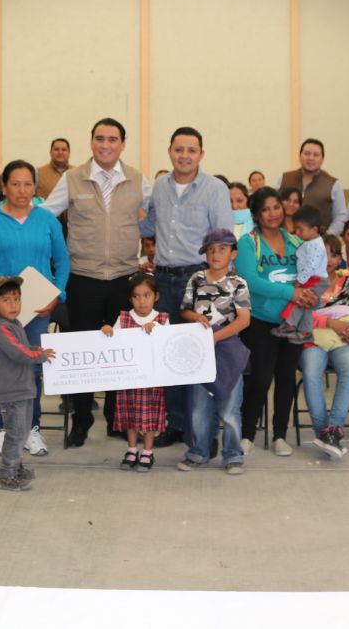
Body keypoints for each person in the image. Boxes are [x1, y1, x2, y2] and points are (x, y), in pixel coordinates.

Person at [41, 118, 149, 448]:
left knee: (118, 352)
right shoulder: (72, 179)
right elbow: (47, 215)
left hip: (122, 279)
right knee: (83, 352)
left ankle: (116, 418)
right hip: (83, 278)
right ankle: (81, 418)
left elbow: (159, 216)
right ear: (91, 143)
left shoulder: (137, 180)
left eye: (112, 139)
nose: (106, 144)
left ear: (122, 144)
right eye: (100, 138)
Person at [140, 126, 234, 445]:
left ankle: (203, 427)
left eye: (191, 150)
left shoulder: (215, 188)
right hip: (164, 279)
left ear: (201, 154)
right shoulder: (160, 188)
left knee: (201, 354)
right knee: (168, 352)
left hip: (199, 277)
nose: (185, 156)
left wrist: (219, 286)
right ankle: (176, 423)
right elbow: (149, 224)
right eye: (179, 149)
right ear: (170, 151)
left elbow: (223, 237)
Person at [0, 160, 69, 456]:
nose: (22, 190)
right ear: (4, 187)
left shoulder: (47, 219)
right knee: (5, 371)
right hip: (1, 311)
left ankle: (31, 429)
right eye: (15, 184)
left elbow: (62, 262)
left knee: (33, 369)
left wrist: (57, 295)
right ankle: (4, 428)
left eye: (28, 184)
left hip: (37, 309)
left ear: (35, 187)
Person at [236, 187, 315, 456]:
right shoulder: (249, 242)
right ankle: (247, 434)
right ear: (257, 214)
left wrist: (308, 293)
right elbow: (251, 282)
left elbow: (308, 276)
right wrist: (290, 291)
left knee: (286, 378)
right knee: (260, 378)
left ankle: (280, 435)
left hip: (293, 322)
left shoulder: (295, 242)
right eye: (266, 209)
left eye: (276, 208)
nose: (273, 214)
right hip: (261, 321)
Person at [178, 228, 251, 475]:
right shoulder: (196, 279)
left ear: (233, 253)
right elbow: (185, 310)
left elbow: (243, 320)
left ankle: (233, 454)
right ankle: (198, 451)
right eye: (210, 250)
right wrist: (195, 316)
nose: (215, 254)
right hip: (199, 350)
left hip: (228, 349)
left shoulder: (238, 283)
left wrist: (215, 337)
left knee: (230, 408)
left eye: (222, 249)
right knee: (199, 406)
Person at [299, 234, 349, 459]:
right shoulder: (304, 283)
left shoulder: (348, 283)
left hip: (343, 342)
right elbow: (298, 316)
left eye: (333, 254)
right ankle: (324, 431)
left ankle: (333, 429)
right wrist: (331, 322)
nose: (329, 260)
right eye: (323, 254)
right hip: (312, 340)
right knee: (311, 371)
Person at [0, 276, 55, 492]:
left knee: (21, 432)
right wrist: (39, 355)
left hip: (22, 387)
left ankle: (15, 466)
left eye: (16, 299)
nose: (13, 305)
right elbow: (18, 352)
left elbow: (23, 346)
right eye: (6, 300)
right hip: (12, 390)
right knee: (15, 433)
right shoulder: (0, 328)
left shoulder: (12, 324)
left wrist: (37, 349)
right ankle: (6, 474)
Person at [101, 272, 168, 472]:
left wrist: (155, 329)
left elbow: (168, 346)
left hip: (152, 380)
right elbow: (113, 340)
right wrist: (106, 330)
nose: (141, 301)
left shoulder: (163, 320)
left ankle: (147, 452)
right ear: (130, 299)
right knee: (130, 416)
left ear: (156, 296)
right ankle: (132, 449)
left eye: (146, 295)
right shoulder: (123, 319)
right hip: (129, 378)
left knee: (149, 418)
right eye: (136, 296)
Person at [273, 204, 328, 344]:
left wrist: (300, 280)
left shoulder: (316, 245)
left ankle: (290, 326)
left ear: (314, 229)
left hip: (315, 279)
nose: (296, 232)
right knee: (305, 305)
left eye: (300, 229)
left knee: (300, 299)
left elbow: (311, 265)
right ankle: (305, 332)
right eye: (296, 228)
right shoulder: (310, 241)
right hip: (313, 278)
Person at [278, 139, 347, 235]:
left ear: (322, 159)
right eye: (307, 154)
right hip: (285, 241)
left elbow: (340, 216)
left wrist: (327, 238)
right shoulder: (284, 178)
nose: (310, 158)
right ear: (300, 156)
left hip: (317, 242)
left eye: (316, 155)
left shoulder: (333, 184)